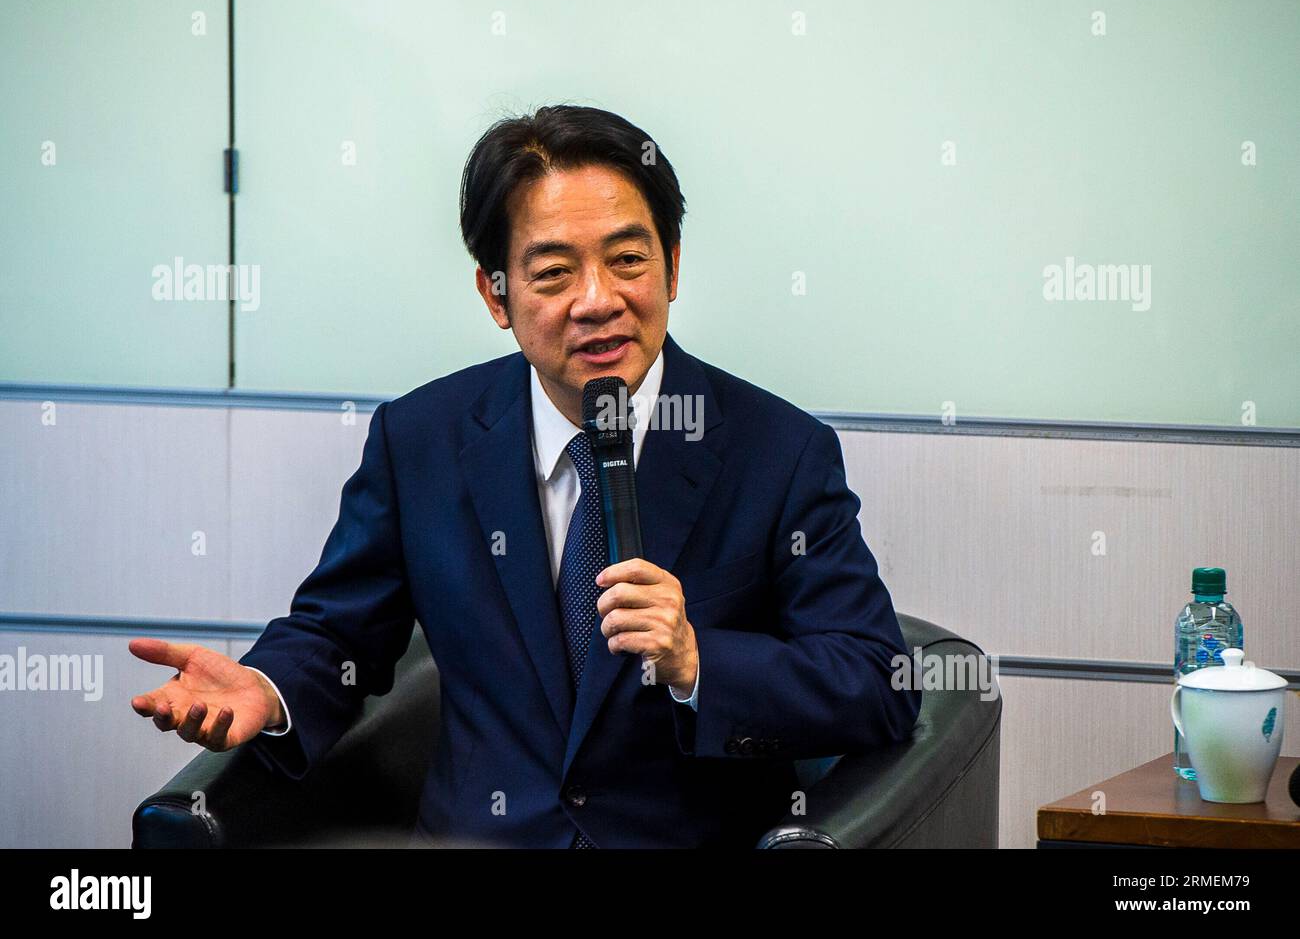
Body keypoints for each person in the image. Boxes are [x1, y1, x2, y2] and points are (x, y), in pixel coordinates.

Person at [129, 104, 921, 848]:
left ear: (672, 268)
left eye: (628, 260)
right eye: (552, 274)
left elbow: (877, 682)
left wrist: (695, 660)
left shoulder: (776, 451)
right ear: (495, 293)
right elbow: (340, 634)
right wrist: (267, 689)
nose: (598, 301)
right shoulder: (423, 440)